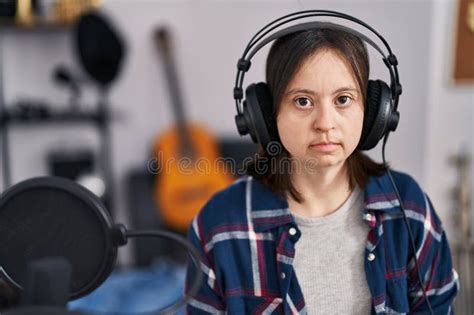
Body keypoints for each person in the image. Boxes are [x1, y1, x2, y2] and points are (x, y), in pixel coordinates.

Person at [185, 13, 459, 315]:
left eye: (343, 99)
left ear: (373, 112)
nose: (325, 123)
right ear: (265, 116)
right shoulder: (218, 224)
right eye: (303, 101)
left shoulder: (408, 207)